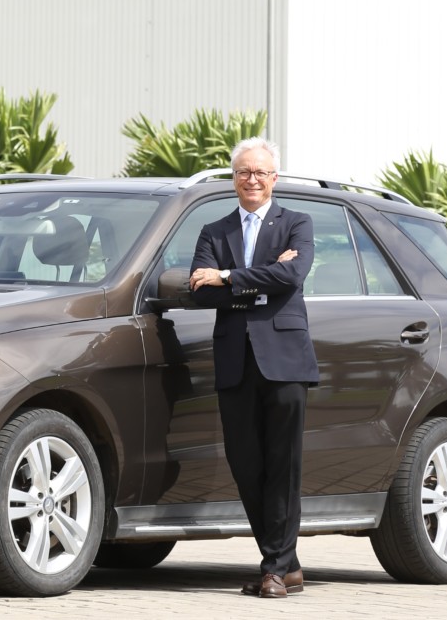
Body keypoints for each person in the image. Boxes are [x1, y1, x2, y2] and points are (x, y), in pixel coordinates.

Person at [188, 137, 317, 599]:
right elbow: (199, 292)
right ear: (234, 178)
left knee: (284, 465)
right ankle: (289, 563)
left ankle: (274, 571)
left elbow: (291, 278)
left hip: (284, 360)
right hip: (235, 361)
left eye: (261, 172)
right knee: (246, 465)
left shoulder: (296, 224)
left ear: (274, 178)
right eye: (244, 172)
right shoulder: (214, 231)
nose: (253, 179)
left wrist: (227, 277)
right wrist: (259, 282)